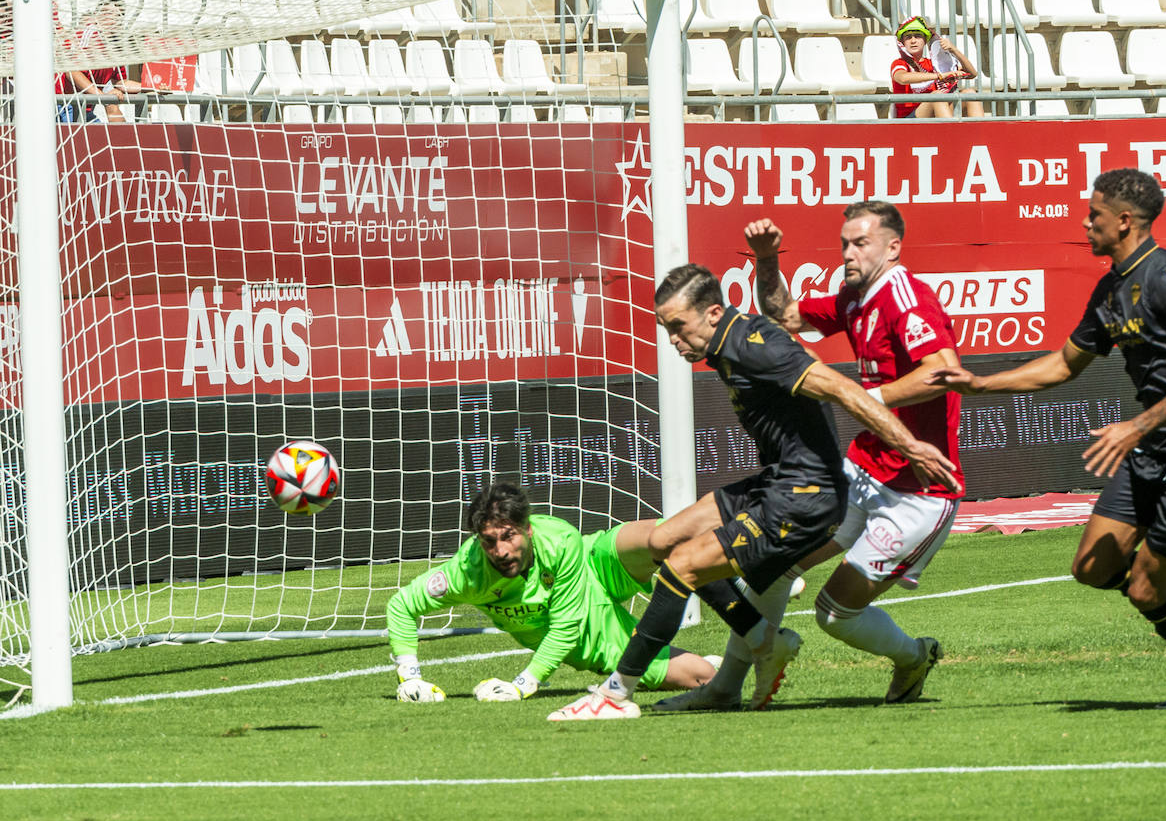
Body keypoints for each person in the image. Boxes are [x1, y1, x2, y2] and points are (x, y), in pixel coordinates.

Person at [547, 264, 959, 722]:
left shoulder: (754, 348)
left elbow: (840, 388)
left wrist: (911, 446)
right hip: (779, 482)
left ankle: (615, 694)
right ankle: (765, 641)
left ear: (714, 313)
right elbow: (784, 315)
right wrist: (765, 257)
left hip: (806, 496)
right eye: (666, 329)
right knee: (665, 542)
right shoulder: (725, 341)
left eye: (679, 327)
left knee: (684, 568)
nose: (673, 340)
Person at [928, 168, 1166, 710]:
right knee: (1092, 569)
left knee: (1147, 589)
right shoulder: (1110, 289)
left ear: (1124, 221)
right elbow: (1063, 364)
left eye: (1094, 214)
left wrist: (1137, 425)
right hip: (1150, 446)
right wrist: (980, 382)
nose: (1085, 222)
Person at [653, 202, 963, 713]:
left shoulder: (904, 297)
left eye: (860, 243)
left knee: (833, 614)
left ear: (893, 247)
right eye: (844, 243)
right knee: (771, 566)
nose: (848, 253)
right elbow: (786, 316)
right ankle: (725, 688)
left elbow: (943, 370)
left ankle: (913, 656)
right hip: (861, 471)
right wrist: (767, 258)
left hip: (918, 491)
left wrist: (864, 400)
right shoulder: (857, 298)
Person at [388, 482, 718, 703]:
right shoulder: (467, 573)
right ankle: (718, 663)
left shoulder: (561, 540)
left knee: (664, 536)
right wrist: (409, 678)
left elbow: (564, 616)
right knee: (703, 676)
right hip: (591, 632)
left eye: (509, 536)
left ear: (528, 529)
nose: (500, 550)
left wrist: (523, 684)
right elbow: (401, 606)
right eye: (489, 541)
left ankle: (743, 530)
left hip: (593, 564)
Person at [890, 14, 984, 120]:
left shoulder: (934, 63)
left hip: (934, 113)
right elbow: (903, 78)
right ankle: (950, 133)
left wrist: (954, 50)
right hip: (908, 119)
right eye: (908, 37)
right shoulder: (899, 63)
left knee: (970, 94)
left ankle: (982, 134)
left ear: (925, 40)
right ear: (902, 42)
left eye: (917, 36)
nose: (913, 41)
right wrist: (939, 76)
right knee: (937, 96)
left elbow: (972, 74)